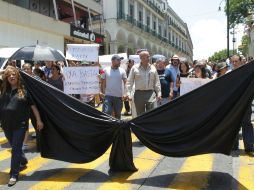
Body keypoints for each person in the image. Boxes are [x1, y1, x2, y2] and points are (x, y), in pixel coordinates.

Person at [0, 66, 43, 186]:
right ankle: (23, 161)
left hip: (20, 125)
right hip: (6, 125)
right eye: (9, 75)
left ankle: (14, 174)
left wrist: (39, 120)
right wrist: (5, 70)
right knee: (16, 148)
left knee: (15, 149)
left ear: (18, 76)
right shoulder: (3, 88)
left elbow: (33, 107)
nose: (12, 76)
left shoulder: (24, 90)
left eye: (14, 74)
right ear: (6, 78)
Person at [230, 55, 254, 156]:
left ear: (241, 61)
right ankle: (234, 146)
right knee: (234, 124)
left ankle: (249, 146)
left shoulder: (247, 73)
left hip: (246, 103)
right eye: (233, 62)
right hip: (233, 104)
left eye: (236, 61)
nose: (234, 63)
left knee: (246, 124)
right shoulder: (229, 74)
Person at [126, 50, 161, 116]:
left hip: (150, 93)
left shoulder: (153, 68)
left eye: (149, 57)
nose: (148, 58)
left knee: (151, 114)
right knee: (140, 115)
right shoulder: (134, 68)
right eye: (146, 57)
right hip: (139, 93)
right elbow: (129, 82)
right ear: (141, 58)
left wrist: (159, 93)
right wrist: (128, 93)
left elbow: (157, 82)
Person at [101, 55, 127, 119]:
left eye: (120, 60)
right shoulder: (105, 70)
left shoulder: (122, 70)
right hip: (108, 96)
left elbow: (126, 82)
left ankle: (117, 128)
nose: (120, 62)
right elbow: (102, 83)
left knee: (118, 114)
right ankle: (107, 127)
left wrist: (125, 93)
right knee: (106, 112)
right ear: (112, 61)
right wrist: (102, 92)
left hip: (119, 96)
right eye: (118, 60)